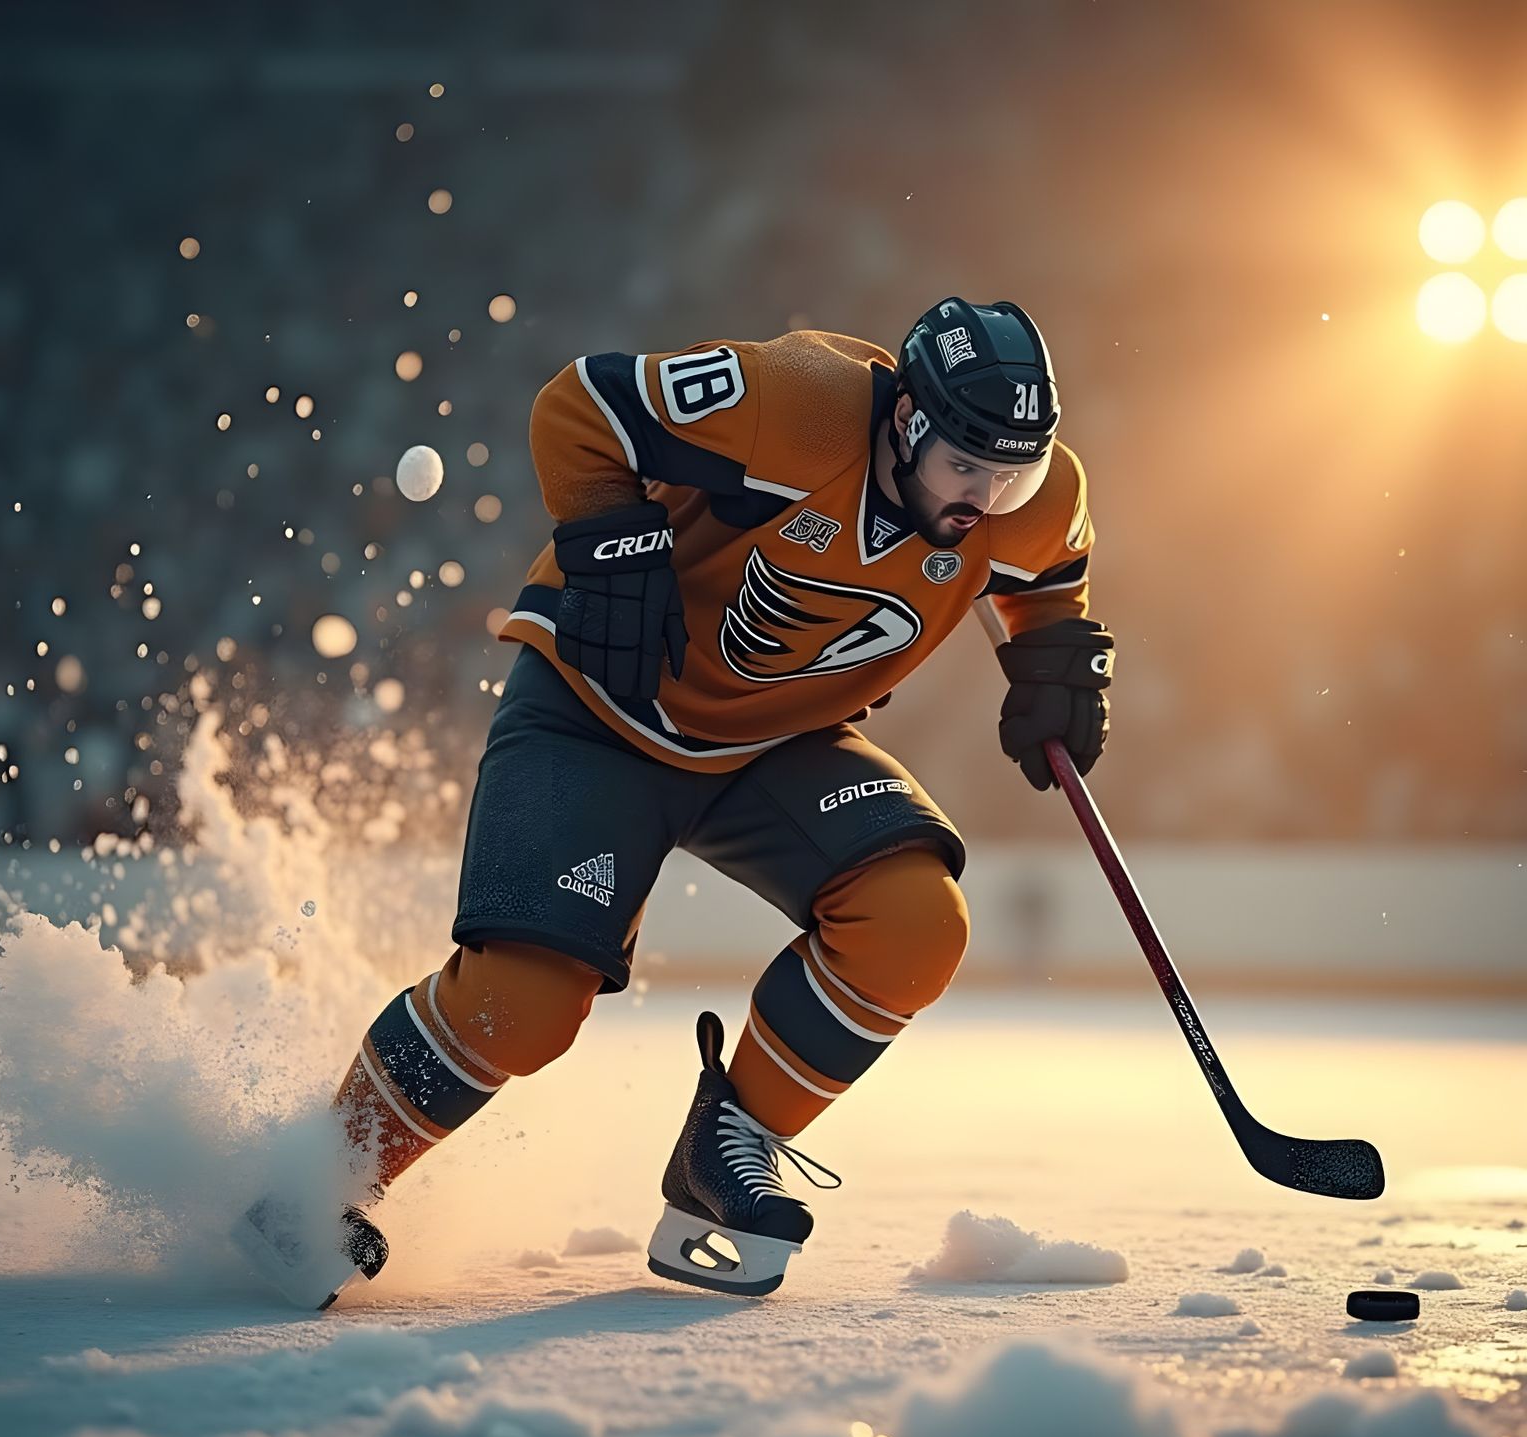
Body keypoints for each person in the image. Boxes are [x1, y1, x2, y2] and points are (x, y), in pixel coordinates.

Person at [233, 296, 1115, 1309]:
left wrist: (1054, 654)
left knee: (915, 925)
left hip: (776, 741)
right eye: (966, 466)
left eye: (1013, 475)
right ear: (908, 419)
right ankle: (315, 1190)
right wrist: (608, 532)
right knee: (523, 1005)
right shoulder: (794, 401)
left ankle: (726, 1150)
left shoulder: (1033, 496)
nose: (987, 499)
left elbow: (1048, 575)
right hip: (599, 708)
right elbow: (580, 406)